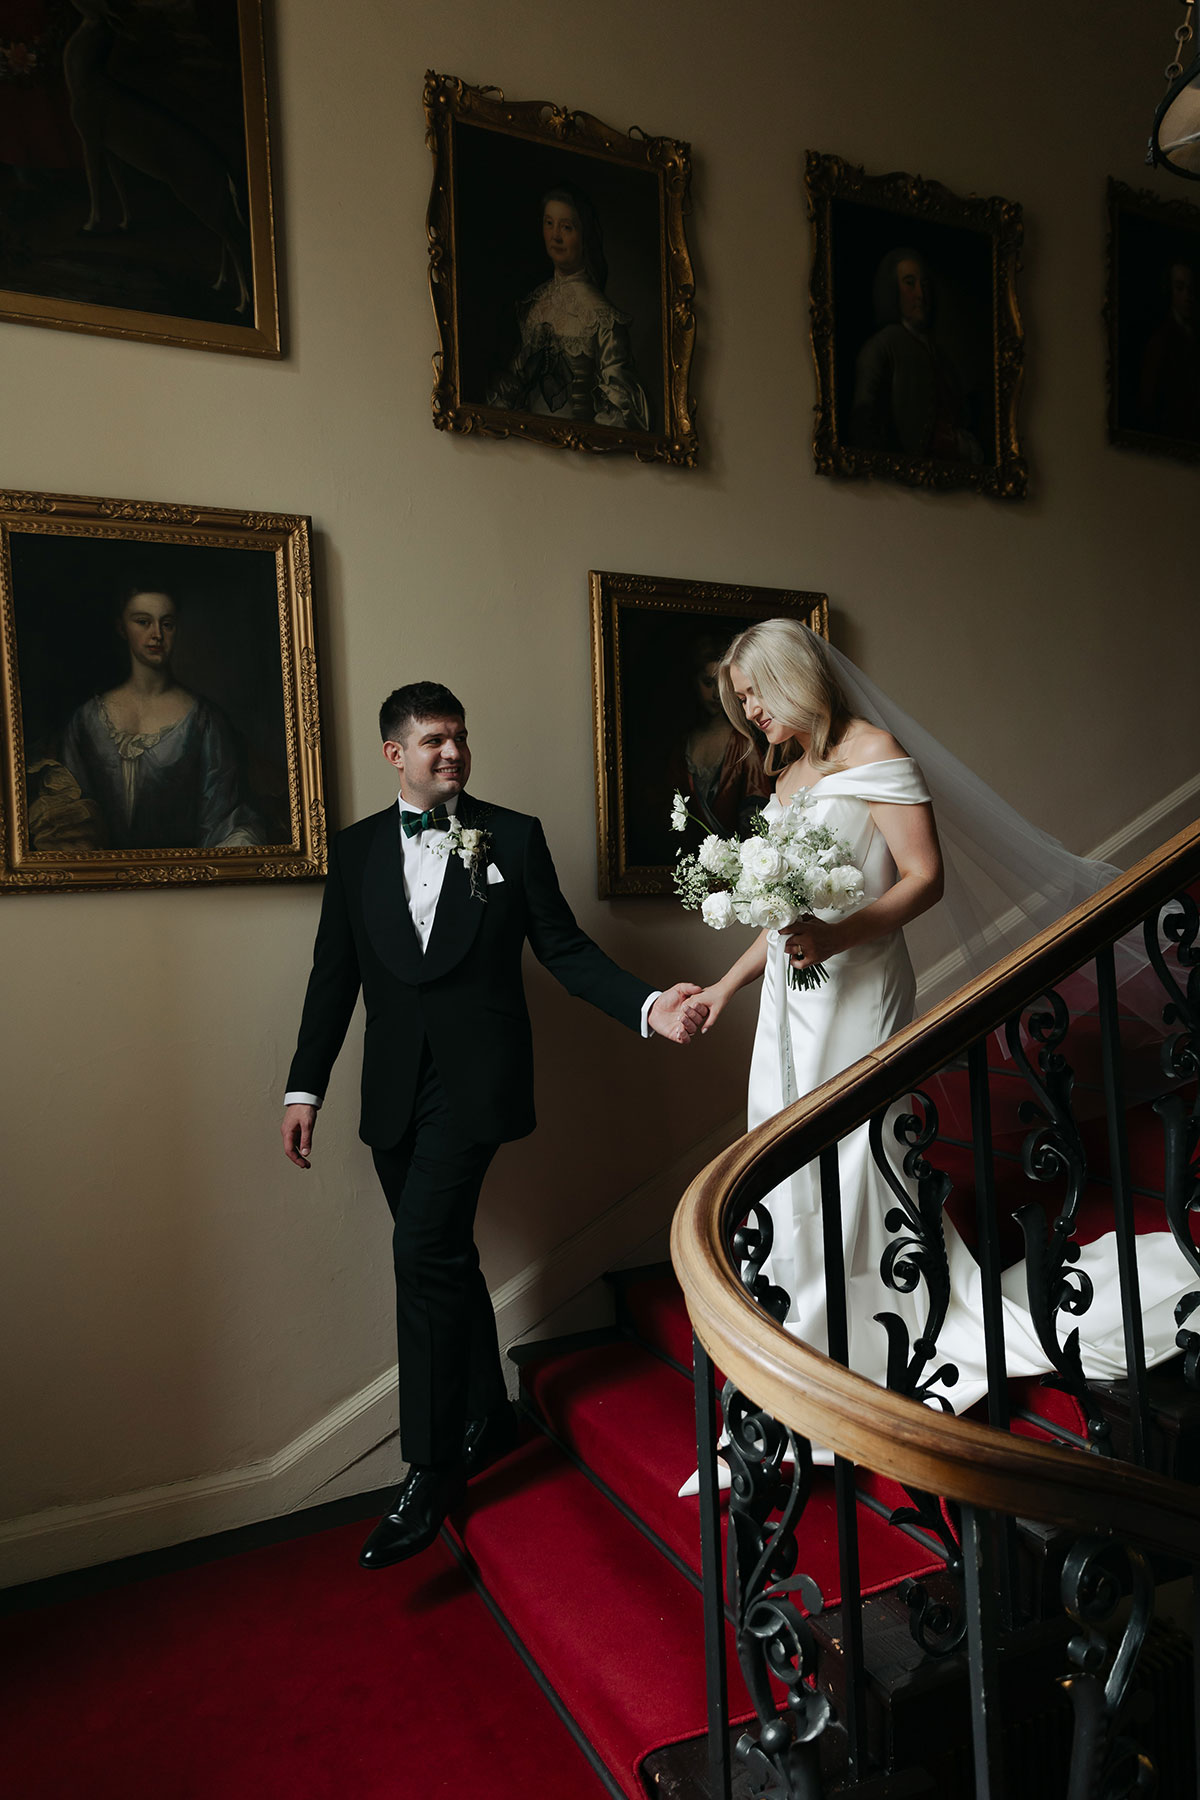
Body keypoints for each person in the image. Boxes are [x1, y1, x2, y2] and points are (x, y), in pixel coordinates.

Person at [679, 620, 1196, 1489]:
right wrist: (724, 990)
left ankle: (851, 1364)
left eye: (758, 693)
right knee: (783, 1168)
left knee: (849, 1163)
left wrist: (839, 939)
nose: (752, 712)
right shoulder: (785, 771)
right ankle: (792, 1356)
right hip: (787, 1004)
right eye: (742, 701)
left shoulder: (872, 749)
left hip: (859, 989)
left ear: (794, 677)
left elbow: (924, 877)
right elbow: (779, 922)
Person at [281, 680, 708, 1567]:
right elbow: (335, 978)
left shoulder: (511, 836)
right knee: (442, 1253)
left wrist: (645, 1006)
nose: (453, 752)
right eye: (434, 739)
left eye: (462, 738)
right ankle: (486, 1410)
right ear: (394, 753)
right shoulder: (358, 849)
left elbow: (563, 947)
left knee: (419, 1253)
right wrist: (303, 1089)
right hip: (393, 1092)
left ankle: (431, 1469)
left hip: (475, 1089)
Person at [59, 581, 261, 850]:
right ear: (122, 628)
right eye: (143, 622)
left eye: (167, 624)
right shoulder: (86, 720)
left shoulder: (204, 720)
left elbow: (223, 818)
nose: (156, 635)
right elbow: (70, 813)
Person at [486, 184, 651, 430]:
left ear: (584, 236)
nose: (555, 236)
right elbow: (517, 377)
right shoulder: (537, 304)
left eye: (566, 227)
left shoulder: (601, 315)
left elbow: (623, 404)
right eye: (549, 223)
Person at [851, 247, 982, 463]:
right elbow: (863, 418)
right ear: (893, 289)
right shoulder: (882, 346)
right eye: (909, 283)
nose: (920, 294)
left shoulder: (939, 354)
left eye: (924, 284)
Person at [1137, 257, 1200, 442]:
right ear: (1170, 292)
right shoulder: (1160, 342)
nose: (1188, 296)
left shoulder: (1194, 335)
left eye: (1192, 289)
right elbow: (1148, 403)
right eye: (1180, 288)